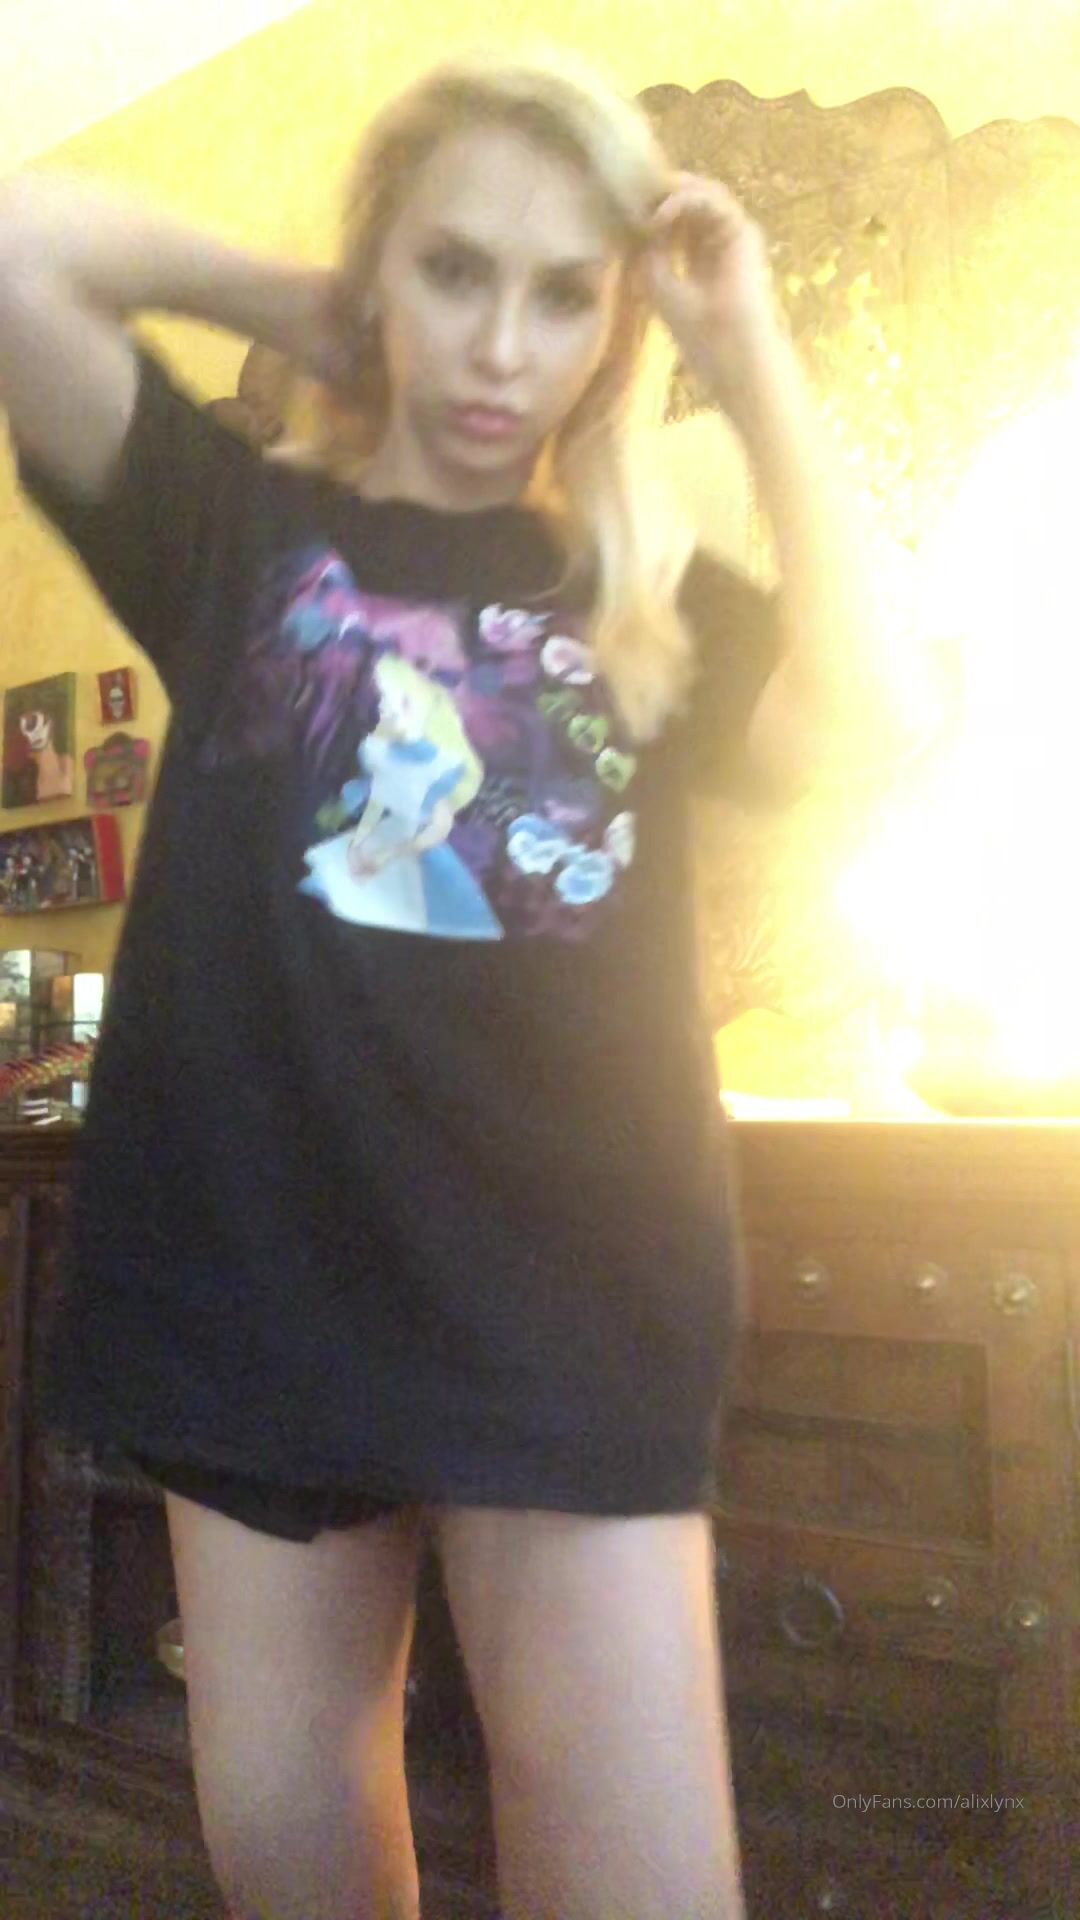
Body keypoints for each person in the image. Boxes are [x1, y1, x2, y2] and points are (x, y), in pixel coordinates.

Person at [0, 42, 932, 1920]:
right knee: (302, 1868)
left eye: (563, 291)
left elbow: (875, 725)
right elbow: (21, 245)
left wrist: (750, 357)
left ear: (616, 321)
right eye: (453, 271)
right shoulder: (231, 528)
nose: (506, 343)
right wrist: (307, 309)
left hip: (568, 1307)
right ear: (384, 276)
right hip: (258, 1279)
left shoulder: (646, 601)